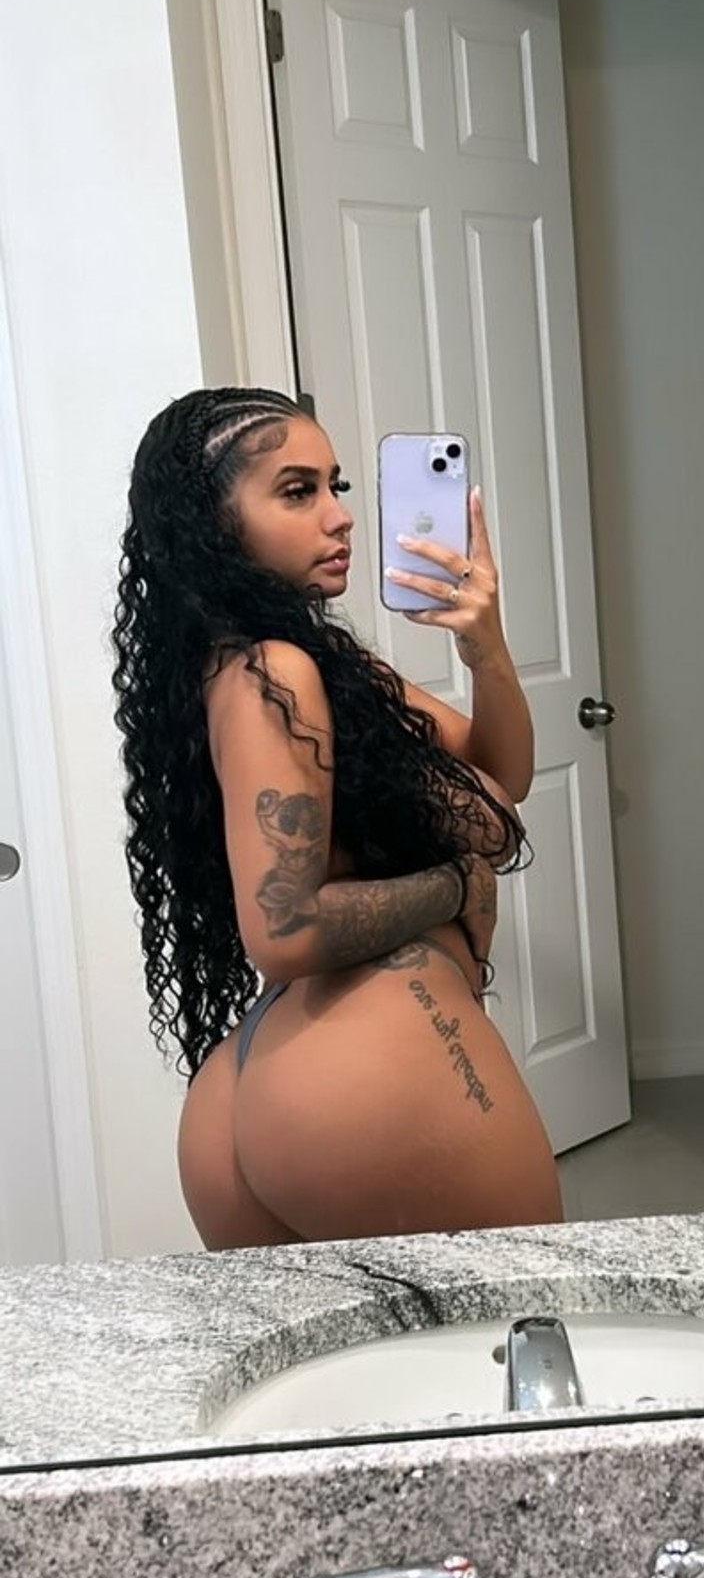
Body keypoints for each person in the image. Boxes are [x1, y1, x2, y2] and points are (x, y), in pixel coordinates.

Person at [112, 387, 563, 1248]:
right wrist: (455, 882)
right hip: (367, 1062)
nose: (340, 515)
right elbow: (285, 931)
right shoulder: (274, 673)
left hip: (254, 1081)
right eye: (297, 491)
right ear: (214, 525)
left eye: (337, 485)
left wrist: (486, 646)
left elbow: (504, 770)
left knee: (340, 1346)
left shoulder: (286, 664)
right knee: (527, 1309)